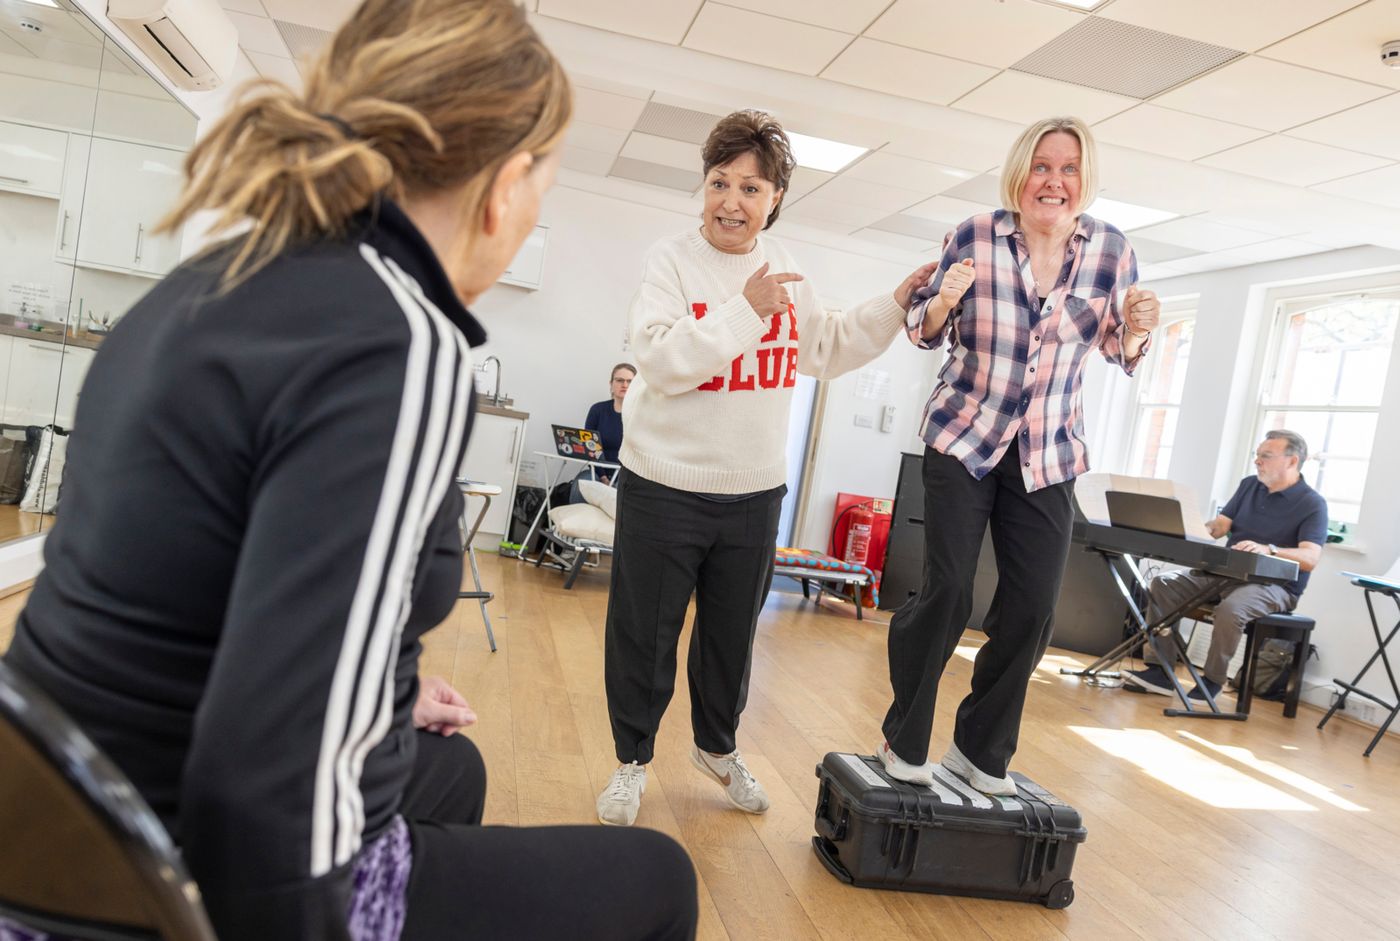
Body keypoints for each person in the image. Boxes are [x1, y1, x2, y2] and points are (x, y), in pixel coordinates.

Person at [1, 2, 696, 939]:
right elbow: (267, 776)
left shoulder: (212, 279)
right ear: (505, 184)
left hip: (53, 823)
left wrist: (388, 689)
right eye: (545, 185)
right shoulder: (399, 342)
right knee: (657, 878)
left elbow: (202, 583)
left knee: (455, 770)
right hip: (173, 870)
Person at [596, 110, 937, 827]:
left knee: (730, 639)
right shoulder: (671, 261)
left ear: (774, 197)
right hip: (664, 483)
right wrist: (745, 311)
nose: (730, 201)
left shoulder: (786, 272)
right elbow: (660, 360)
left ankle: (717, 748)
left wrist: (897, 301)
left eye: (750, 188)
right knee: (643, 633)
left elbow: (830, 346)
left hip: (751, 494)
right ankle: (631, 760)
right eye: (720, 182)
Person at [879, 116, 1161, 796]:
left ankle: (978, 750)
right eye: (1041, 166)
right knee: (948, 591)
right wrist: (942, 303)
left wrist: (1140, 334)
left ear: (1083, 179)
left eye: (1067, 169)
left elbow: (1119, 349)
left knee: (1034, 606)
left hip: (1048, 448)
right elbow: (922, 329)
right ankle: (905, 735)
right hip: (963, 434)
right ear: (1020, 172)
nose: (1053, 181)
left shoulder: (1112, 251)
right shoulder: (974, 234)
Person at [1124, 430, 1327, 701]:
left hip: (1274, 587)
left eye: (1266, 456)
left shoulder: (1313, 504)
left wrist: (1270, 550)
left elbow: (1310, 558)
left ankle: (1212, 681)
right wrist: (1190, 528)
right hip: (1226, 574)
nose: (1258, 461)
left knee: (1232, 608)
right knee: (1163, 584)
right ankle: (1160, 671)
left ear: (1292, 461)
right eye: (1257, 455)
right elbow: (1220, 527)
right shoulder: (1248, 486)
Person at [586, 362, 635, 468]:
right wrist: (603, 477)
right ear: (611, 384)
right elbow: (590, 448)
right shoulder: (597, 410)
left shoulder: (640, 415)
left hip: (626, 475)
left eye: (630, 381)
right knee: (579, 484)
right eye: (619, 380)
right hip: (597, 471)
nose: (625, 385)